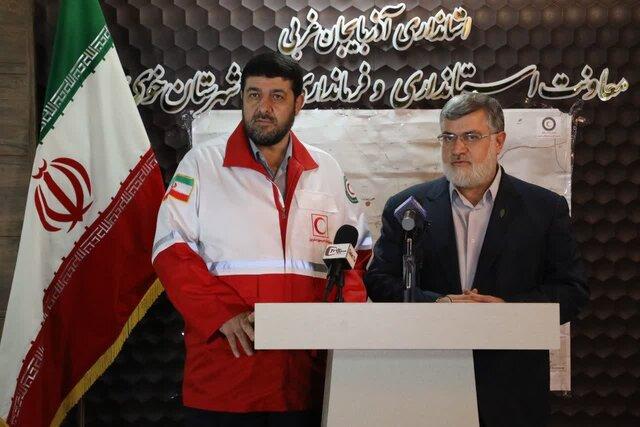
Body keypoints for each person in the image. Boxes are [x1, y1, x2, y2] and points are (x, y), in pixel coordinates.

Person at [152, 52, 371, 427]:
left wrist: (343, 328)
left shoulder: (327, 170)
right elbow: (170, 251)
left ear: (298, 103)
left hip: (305, 380)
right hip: (227, 376)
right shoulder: (202, 165)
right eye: (253, 95)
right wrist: (223, 313)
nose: (263, 108)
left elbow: (357, 255)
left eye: (277, 96)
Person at [364, 93, 588, 427]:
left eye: (471, 136)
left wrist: (507, 310)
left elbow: (572, 291)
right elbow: (380, 281)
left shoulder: (544, 209)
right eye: (448, 137)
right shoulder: (407, 207)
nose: (457, 149)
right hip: (425, 385)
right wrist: (437, 304)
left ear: (499, 141)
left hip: (511, 389)